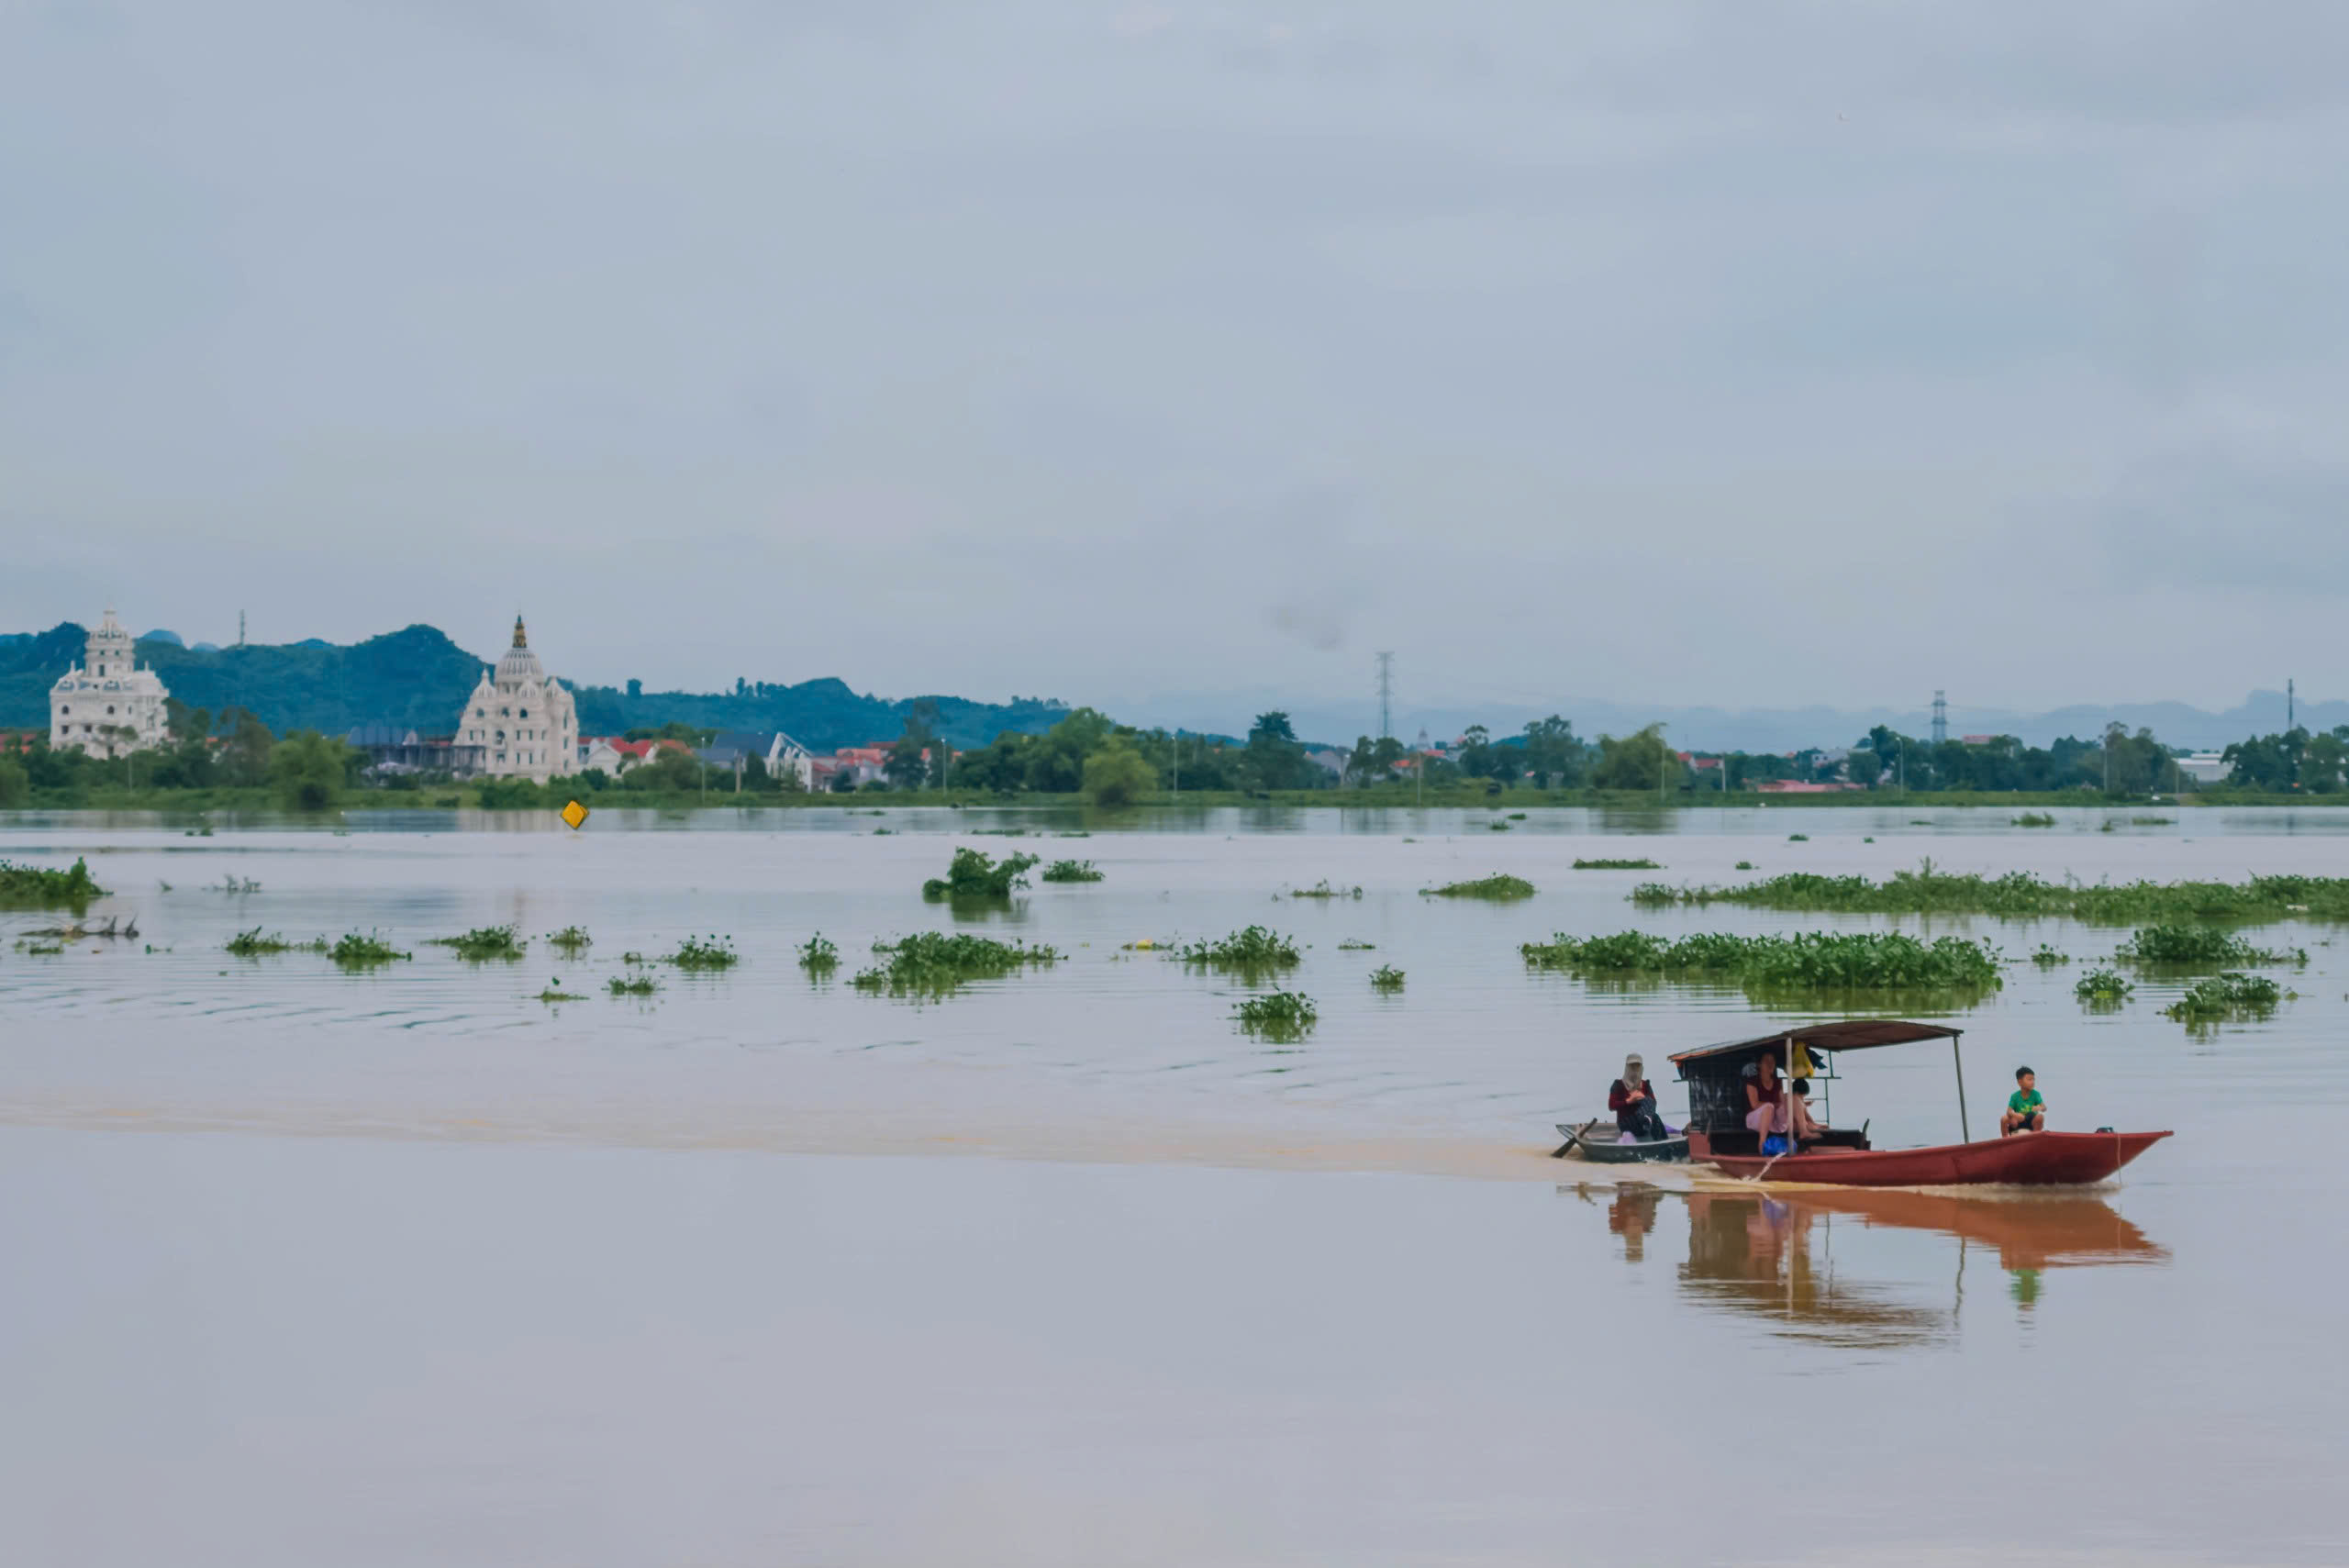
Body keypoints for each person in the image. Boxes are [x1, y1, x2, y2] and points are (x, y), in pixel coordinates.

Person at [1609, 1053, 1671, 1141]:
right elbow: (1612, 1105)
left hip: (1643, 1120)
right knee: (1652, 1116)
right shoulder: (1618, 1085)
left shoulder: (1645, 1085)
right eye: (1632, 1066)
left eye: (1637, 1066)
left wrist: (1642, 1098)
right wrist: (1629, 1101)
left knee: (1655, 1115)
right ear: (1627, 1067)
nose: (1634, 1069)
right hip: (1626, 1122)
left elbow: (1654, 1103)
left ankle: (1664, 1142)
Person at [1744, 1051, 1792, 1152]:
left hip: (1773, 1121)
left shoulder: (1777, 1081)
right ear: (1759, 1064)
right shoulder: (1752, 1081)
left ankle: (1796, 1135)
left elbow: (1782, 1103)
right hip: (1755, 1120)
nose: (1770, 1064)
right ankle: (1762, 1143)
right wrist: (1774, 1105)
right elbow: (1755, 1104)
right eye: (1767, 1061)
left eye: (1772, 1061)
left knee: (1789, 1103)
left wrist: (1793, 1105)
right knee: (1769, 1107)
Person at [2003, 1066, 2047, 1136]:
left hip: (2031, 1122)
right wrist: (2016, 1115)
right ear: (2020, 1082)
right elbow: (2008, 1111)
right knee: (2004, 1118)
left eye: (2033, 1080)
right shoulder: (2015, 1096)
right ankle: (2004, 1140)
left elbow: (2044, 1108)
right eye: (2029, 1080)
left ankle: (2035, 1137)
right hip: (2018, 1122)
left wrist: (2040, 1108)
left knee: (2040, 1117)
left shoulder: (2036, 1094)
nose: (2032, 1082)